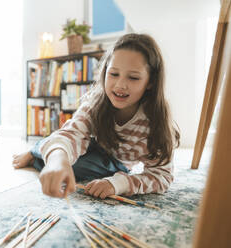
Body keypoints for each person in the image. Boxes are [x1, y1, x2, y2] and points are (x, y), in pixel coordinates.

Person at [13, 33, 180, 199]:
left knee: (80, 168)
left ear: (150, 82)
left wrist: (118, 184)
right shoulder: (95, 103)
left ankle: (39, 153)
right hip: (93, 144)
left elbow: (162, 176)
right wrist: (58, 158)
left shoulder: (155, 120)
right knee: (60, 149)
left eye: (133, 77)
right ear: (105, 72)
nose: (120, 85)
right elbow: (72, 134)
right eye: (114, 74)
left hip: (116, 163)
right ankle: (40, 150)